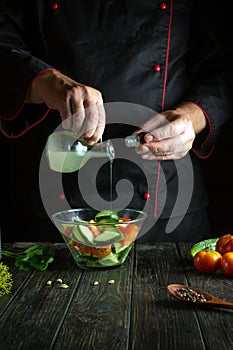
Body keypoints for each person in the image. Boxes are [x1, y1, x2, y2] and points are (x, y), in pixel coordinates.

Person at [0, 1, 232, 243]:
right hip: (57, 205)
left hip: (168, 206)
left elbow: (224, 69)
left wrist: (191, 118)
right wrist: (45, 81)